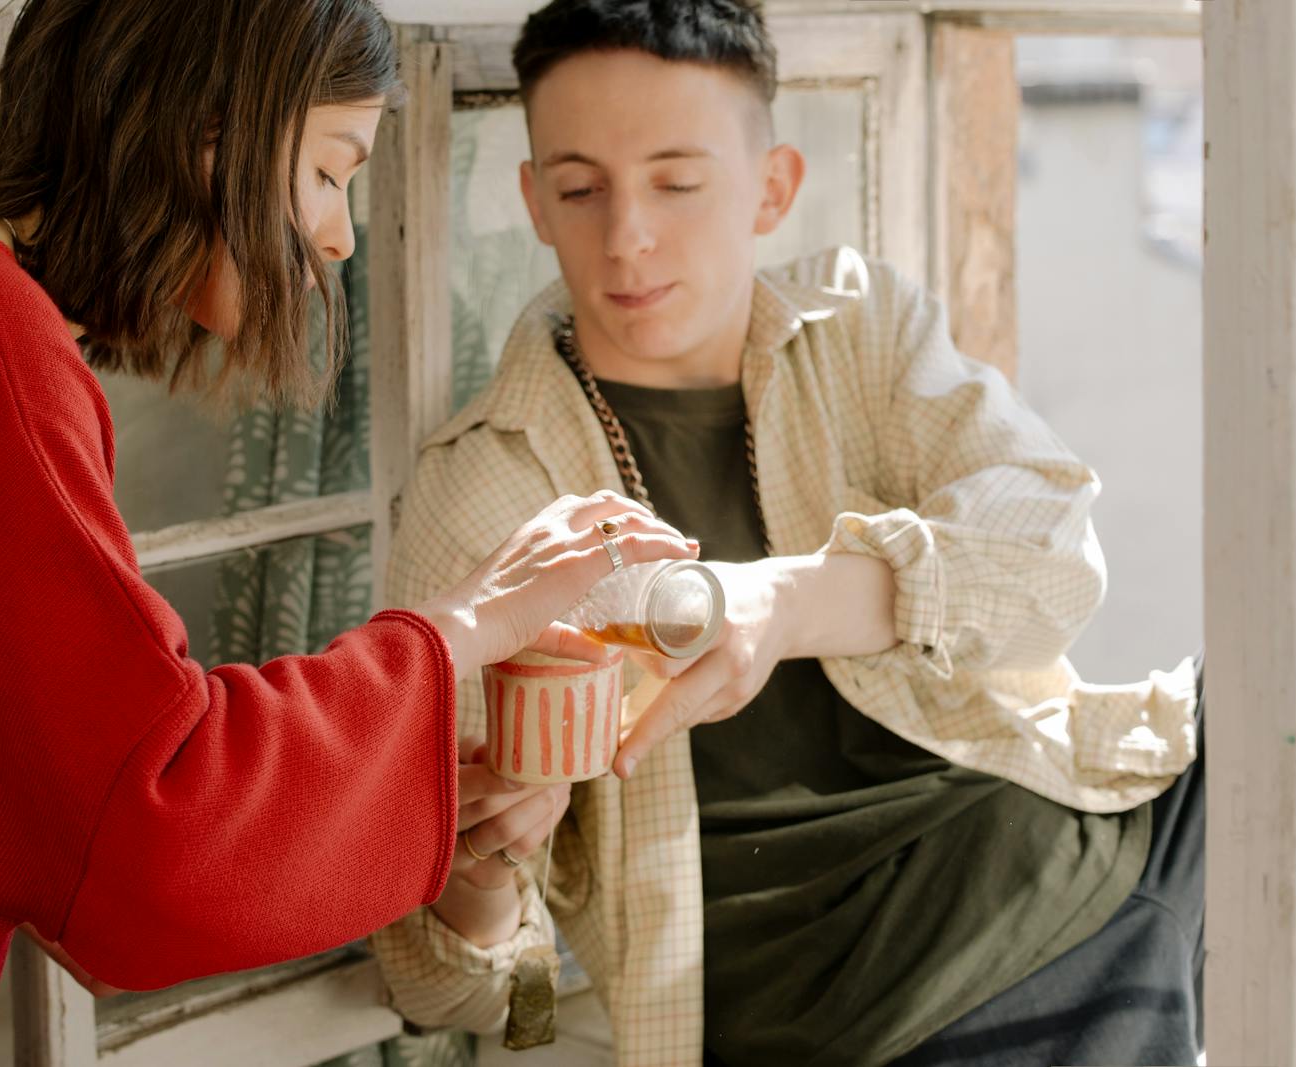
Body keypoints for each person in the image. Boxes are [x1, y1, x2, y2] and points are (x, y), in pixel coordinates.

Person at [0, 1, 699, 1063]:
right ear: (206, 130)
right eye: (332, 169)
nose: (339, 234)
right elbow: (154, 844)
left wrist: (395, 784)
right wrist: (472, 619)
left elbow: (68, 853)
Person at [370, 2, 1204, 1065]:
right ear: (534, 200)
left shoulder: (860, 330)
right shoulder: (487, 492)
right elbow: (455, 990)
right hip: (856, 1007)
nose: (626, 235)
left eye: (676, 182)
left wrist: (783, 602)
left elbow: (1055, 561)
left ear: (773, 189)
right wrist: (480, 883)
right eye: (581, 189)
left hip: (1083, 845)